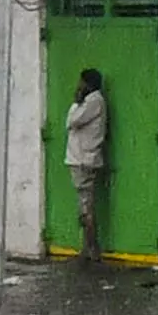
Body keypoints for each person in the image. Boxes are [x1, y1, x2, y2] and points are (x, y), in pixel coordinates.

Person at [62, 68, 114, 262]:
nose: (79, 86)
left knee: (86, 205)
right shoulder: (93, 101)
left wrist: (76, 102)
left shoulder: (93, 101)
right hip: (84, 158)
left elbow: (72, 121)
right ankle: (88, 246)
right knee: (85, 204)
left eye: (82, 82)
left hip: (83, 159)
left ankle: (91, 248)